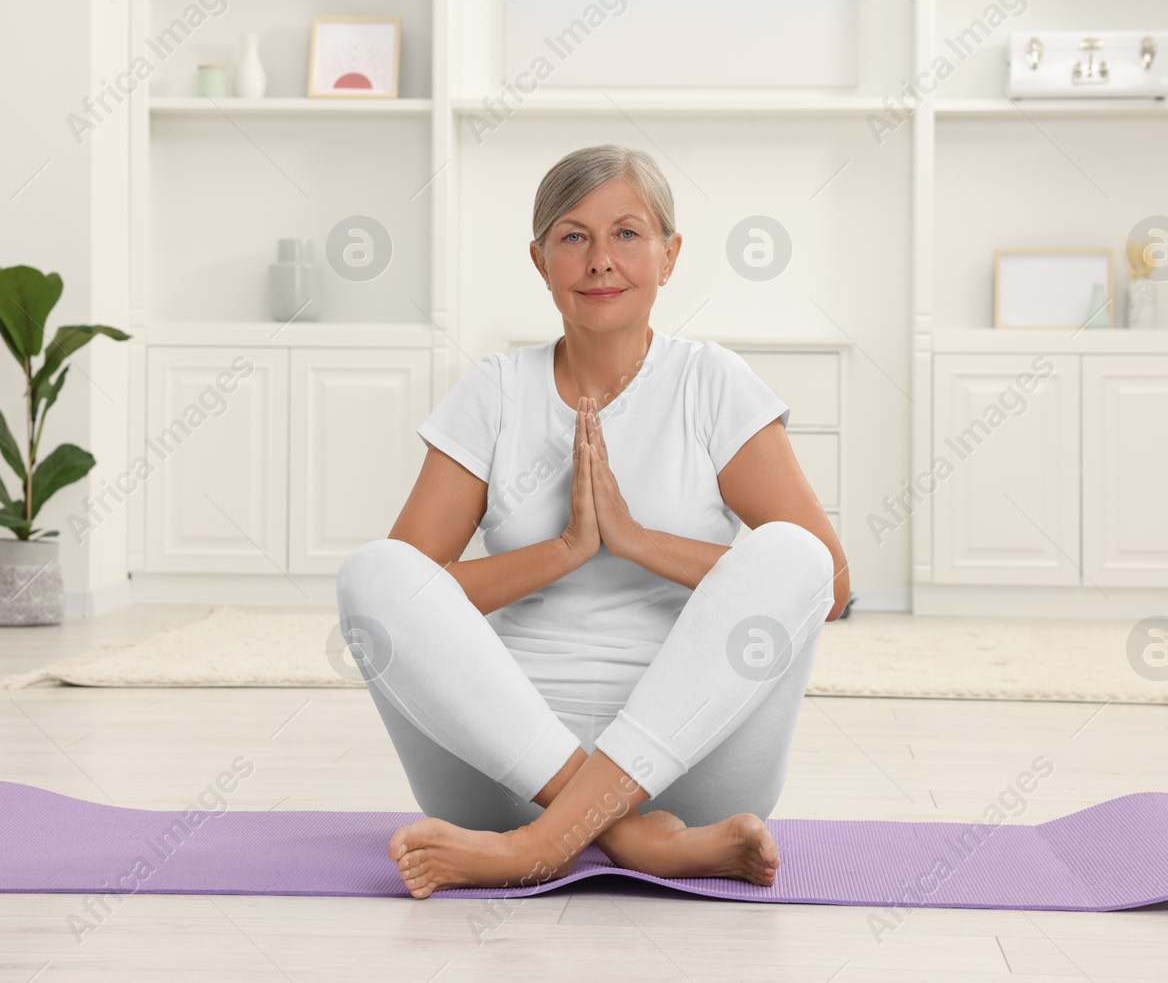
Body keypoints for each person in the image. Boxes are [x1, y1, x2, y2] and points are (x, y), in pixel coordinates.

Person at [336, 144, 849, 898]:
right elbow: (412, 591)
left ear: (670, 256)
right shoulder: (497, 390)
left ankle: (540, 847)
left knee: (795, 554)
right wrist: (567, 548)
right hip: (502, 769)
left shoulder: (711, 383)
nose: (600, 260)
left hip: (690, 767)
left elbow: (829, 586)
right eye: (573, 237)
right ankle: (634, 839)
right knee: (371, 572)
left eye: (628, 234)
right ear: (541, 260)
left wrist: (637, 542)